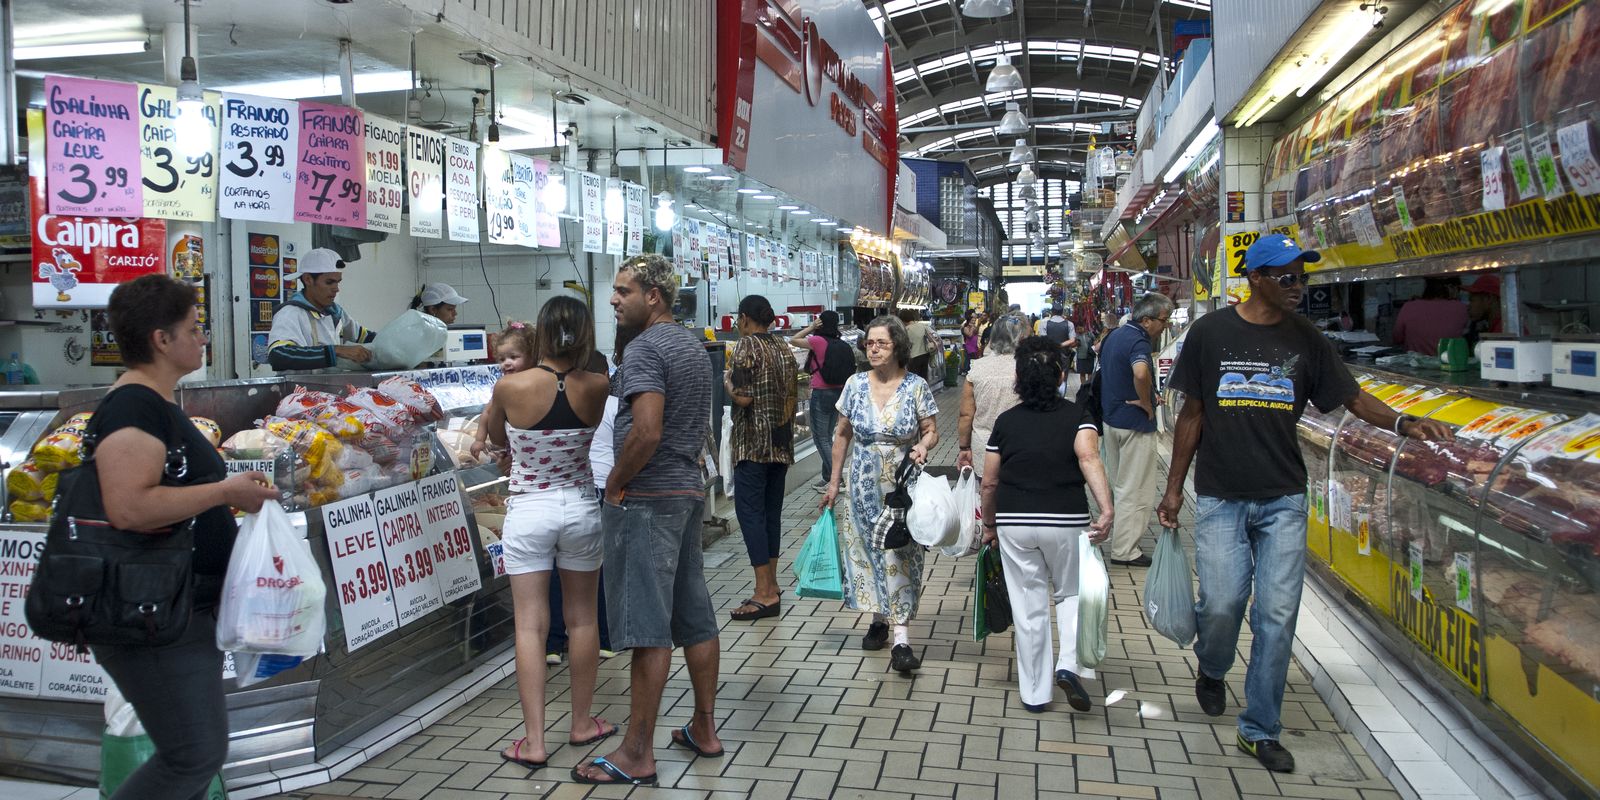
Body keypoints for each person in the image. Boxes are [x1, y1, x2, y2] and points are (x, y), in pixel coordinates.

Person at [1158, 234, 1453, 774]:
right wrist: (1174, 489)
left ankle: (1260, 728)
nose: (1299, 287)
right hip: (1222, 494)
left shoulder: (1307, 339)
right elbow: (1191, 415)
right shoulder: (1210, 333)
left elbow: (1352, 397)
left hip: (1284, 498)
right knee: (1222, 605)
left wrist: (1405, 424)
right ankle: (1213, 665)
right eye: (1287, 277)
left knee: (1275, 614)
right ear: (1256, 278)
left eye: (1304, 277)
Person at [91, 275, 280, 800]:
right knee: (192, 754)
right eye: (195, 328)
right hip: (151, 613)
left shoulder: (156, 404)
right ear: (161, 339)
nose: (203, 339)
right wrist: (223, 493)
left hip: (177, 608)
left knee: (195, 751)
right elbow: (130, 507)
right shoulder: (133, 408)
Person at [575, 254, 720, 787]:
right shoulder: (689, 345)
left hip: (647, 498)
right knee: (695, 616)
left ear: (652, 296)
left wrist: (615, 483)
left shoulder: (645, 348)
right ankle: (703, 728)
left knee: (647, 628)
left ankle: (637, 752)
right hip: (684, 491)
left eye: (623, 291)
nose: (613, 300)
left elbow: (647, 429)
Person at [485, 296, 615, 770]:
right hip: (581, 506)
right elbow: (584, 436)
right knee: (583, 619)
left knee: (530, 624)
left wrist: (513, 446)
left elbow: (499, 441)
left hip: (529, 510)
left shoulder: (510, 386)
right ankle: (582, 723)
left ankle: (535, 742)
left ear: (540, 333)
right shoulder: (598, 385)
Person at [979, 336, 1114, 713]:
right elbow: (1088, 458)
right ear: (1060, 374)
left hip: (1015, 521)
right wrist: (1106, 510)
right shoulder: (1078, 417)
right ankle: (1069, 665)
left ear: (1019, 378)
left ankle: (1035, 694)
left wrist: (989, 524)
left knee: (1028, 604)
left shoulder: (1006, 423)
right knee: (1071, 593)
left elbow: (990, 480)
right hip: (1067, 519)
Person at [821, 316, 939, 674]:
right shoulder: (855, 385)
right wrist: (834, 481)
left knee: (900, 552)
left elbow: (931, 429)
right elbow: (842, 434)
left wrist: (921, 445)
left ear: (898, 347)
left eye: (881, 344)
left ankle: (901, 639)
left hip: (901, 487)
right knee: (867, 551)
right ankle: (878, 620)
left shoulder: (916, 386)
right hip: (861, 484)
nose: (872, 349)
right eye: (869, 343)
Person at [544, 348, 619, 666]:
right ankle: (604, 638)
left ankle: (552, 643)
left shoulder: (564, 401)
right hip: (603, 487)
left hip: (565, 489)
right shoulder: (614, 405)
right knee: (599, 569)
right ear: (605, 377)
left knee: (557, 570)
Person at [725, 295, 798, 621]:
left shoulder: (746, 346)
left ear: (743, 318)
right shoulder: (782, 346)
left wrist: (726, 380)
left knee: (750, 514)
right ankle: (772, 584)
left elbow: (743, 397)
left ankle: (764, 593)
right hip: (781, 444)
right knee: (771, 514)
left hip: (753, 445)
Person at [1099, 293, 1176, 568]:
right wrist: (1145, 402)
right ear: (1146, 320)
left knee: (1120, 484)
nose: (1164, 327)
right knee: (1136, 489)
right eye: (1163, 321)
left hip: (1112, 420)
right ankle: (1125, 550)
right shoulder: (1139, 340)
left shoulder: (1114, 336)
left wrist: (1149, 396)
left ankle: (1118, 537)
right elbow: (1141, 372)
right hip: (1135, 424)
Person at [266, 248, 375, 371]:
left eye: (338, 282)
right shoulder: (290, 313)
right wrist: (336, 351)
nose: (336, 289)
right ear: (308, 279)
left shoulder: (335, 312)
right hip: (299, 389)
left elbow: (365, 337)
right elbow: (278, 356)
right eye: (329, 282)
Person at [956, 314, 1027, 478]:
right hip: (1021, 443)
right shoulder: (1027, 366)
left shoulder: (977, 368)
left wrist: (964, 448)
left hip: (985, 445)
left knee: (988, 492)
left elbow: (966, 414)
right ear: (1021, 337)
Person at [789, 310, 848, 490]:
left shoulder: (817, 341)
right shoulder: (840, 342)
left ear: (821, 323)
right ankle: (827, 477)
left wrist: (811, 327)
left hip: (822, 393)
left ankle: (837, 480)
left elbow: (793, 340)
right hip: (838, 393)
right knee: (828, 436)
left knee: (821, 438)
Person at [472, 321, 536, 461]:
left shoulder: (538, 382)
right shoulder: (504, 387)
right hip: (511, 449)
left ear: (531, 356)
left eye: (513, 357)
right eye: (501, 359)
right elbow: (486, 413)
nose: (506, 363)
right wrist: (479, 440)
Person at [1390, 277, 1468, 356]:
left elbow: (1397, 338)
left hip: (1415, 364)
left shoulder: (1409, 306)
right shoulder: (1461, 308)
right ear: (1452, 288)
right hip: (1450, 363)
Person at [1039, 304, 1079, 375]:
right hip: (1064, 354)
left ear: (1052, 312)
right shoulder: (1069, 324)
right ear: (1062, 312)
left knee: (1050, 376)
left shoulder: (1044, 324)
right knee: (1064, 377)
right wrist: (1060, 345)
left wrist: (1053, 345)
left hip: (1050, 354)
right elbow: (1072, 340)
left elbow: (1044, 339)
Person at [900, 308, 935, 383]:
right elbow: (932, 337)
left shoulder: (906, 330)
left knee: (914, 380)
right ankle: (923, 393)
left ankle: (916, 394)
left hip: (914, 357)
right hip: (925, 355)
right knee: (923, 378)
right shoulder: (922, 326)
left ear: (903, 320)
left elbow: (904, 345)